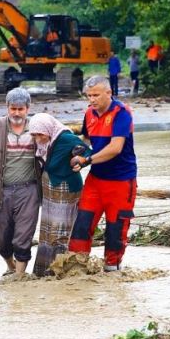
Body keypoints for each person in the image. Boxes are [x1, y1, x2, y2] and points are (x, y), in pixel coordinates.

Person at [67, 76, 137, 272]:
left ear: (109, 93)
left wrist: (87, 161)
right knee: (82, 224)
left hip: (122, 181)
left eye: (96, 95)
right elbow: (86, 141)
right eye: (89, 96)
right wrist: (76, 152)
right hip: (96, 180)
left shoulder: (121, 113)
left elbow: (115, 148)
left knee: (115, 231)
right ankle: (76, 268)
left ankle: (112, 271)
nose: (92, 100)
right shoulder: (89, 113)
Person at [0, 88, 41, 276]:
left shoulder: (37, 126)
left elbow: (56, 139)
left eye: (21, 109)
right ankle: (10, 266)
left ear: (28, 108)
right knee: (1, 237)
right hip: (0, 190)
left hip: (29, 191)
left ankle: (19, 277)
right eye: (13, 109)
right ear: (7, 107)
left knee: (23, 235)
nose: (17, 113)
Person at [29, 113, 91, 277]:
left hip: (65, 188)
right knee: (47, 231)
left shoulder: (65, 138)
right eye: (34, 135)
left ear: (48, 130)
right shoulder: (44, 141)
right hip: (50, 187)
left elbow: (86, 152)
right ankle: (43, 272)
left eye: (40, 134)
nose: (37, 138)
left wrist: (80, 161)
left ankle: (59, 273)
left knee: (60, 232)